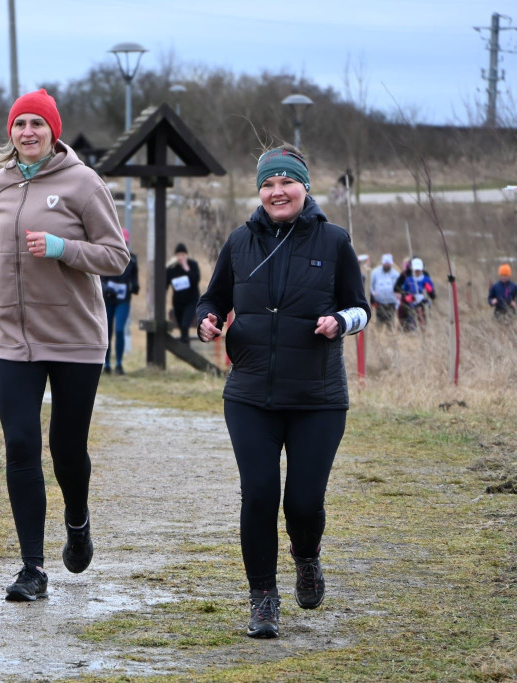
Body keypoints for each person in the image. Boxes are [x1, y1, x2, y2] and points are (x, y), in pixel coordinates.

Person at [196, 145, 369, 639]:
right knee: (260, 495)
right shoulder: (239, 242)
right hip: (249, 395)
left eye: (286, 183)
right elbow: (213, 297)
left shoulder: (334, 241)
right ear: (260, 192)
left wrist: (340, 321)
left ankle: (307, 556)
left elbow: (362, 308)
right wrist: (206, 319)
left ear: (304, 188)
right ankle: (263, 599)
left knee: (303, 502)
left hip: (317, 398)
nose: (277, 192)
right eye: (267, 185)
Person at [0, 89, 129, 602]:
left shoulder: (83, 183)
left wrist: (63, 249)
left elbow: (116, 256)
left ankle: (77, 521)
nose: (28, 132)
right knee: (20, 445)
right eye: (20, 124)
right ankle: (32, 568)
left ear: (52, 131)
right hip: (12, 334)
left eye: (38, 124)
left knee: (65, 448)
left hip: (74, 335)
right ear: (10, 133)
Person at [100, 229, 139, 374]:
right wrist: (106, 289)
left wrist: (135, 287)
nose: (124, 244)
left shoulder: (132, 259)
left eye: (126, 242)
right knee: (107, 332)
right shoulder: (107, 255)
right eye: (121, 241)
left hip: (123, 301)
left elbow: (134, 279)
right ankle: (107, 364)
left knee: (120, 330)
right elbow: (99, 277)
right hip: (108, 300)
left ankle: (119, 363)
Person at [165, 243, 201, 343]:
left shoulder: (192, 265)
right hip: (178, 302)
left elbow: (196, 279)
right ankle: (185, 344)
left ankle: (185, 344)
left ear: (186, 255)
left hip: (191, 301)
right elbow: (165, 283)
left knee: (185, 324)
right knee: (181, 326)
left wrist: (186, 268)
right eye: (179, 255)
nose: (181, 257)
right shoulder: (171, 268)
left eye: (183, 255)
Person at [396, 257, 435, 332]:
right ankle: (412, 331)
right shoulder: (409, 279)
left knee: (424, 317)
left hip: (424, 302)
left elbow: (432, 295)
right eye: (415, 270)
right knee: (411, 317)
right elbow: (403, 291)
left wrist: (429, 290)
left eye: (418, 270)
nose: (417, 271)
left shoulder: (426, 279)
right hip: (412, 303)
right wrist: (407, 297)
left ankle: (424, 330)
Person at [369, 253, 400, 326]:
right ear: (382, 263)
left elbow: (399, 288)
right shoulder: (375, 272)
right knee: (379, 322)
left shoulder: (395, 274)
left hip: (391, 302)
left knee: (390, 322)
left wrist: (398, 298)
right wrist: (372, 293)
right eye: (385, 263)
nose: (387, 265)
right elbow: (370, 284)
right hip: (379, 302)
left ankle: (389, 334)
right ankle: (379, 334)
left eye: (388, 264)